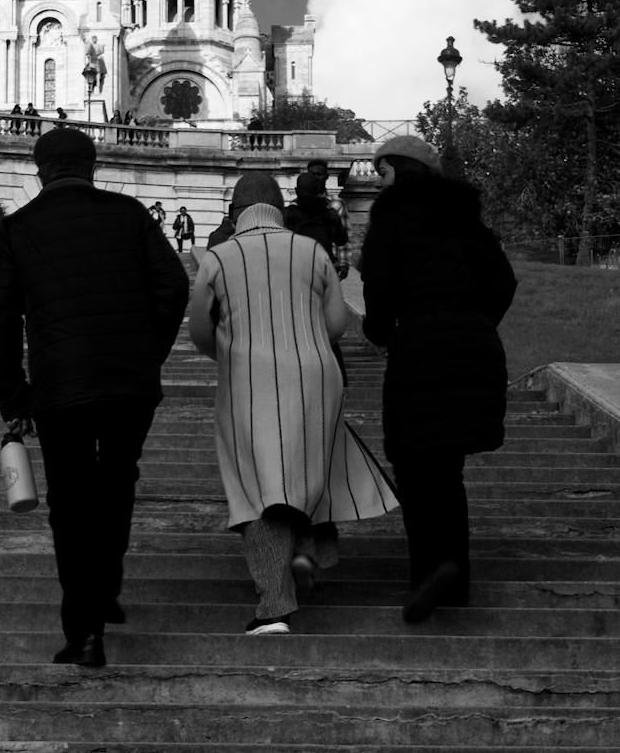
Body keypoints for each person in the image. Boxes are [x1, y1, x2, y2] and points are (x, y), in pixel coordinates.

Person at [0, 126, 189, 669]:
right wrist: (149, 353)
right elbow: (173, 287)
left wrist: (12, 395)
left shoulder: (18, 228)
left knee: (71, 504)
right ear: (92, 166)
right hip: (129, 383)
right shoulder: (131, 214)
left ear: (40, 170)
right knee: (118, 482)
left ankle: (85, 631)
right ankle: (107, 587)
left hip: (60, 387)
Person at [188, 172, 397, 634]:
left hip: (248, 376)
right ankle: (307, 548)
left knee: (255, 487)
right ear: (279, 208)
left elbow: (199, 330)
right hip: (318, 371)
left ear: (235, 211)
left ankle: (274, 608)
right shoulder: (312, 251)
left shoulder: (218, 257)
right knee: (307, 462)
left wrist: (227, 348)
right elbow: (338, 324)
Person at [360, 134, 515, 623]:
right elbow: (504, 280)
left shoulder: (391, 215)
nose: (378, 180)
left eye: (382, 171)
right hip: (475, 346)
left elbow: (378, 286)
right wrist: (475, 321)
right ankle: (455, 577)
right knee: (446, 469)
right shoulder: (464, 216)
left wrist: (379, 329)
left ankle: (430, 569)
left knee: (413, 462)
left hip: (421, 347)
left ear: (400, 170)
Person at [283, 172, 349, 278]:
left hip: (298, 269)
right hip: (324, 268)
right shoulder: (330, 213)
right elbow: (342, 240)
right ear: (318, 190)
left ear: (296, 191)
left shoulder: (288, 214)